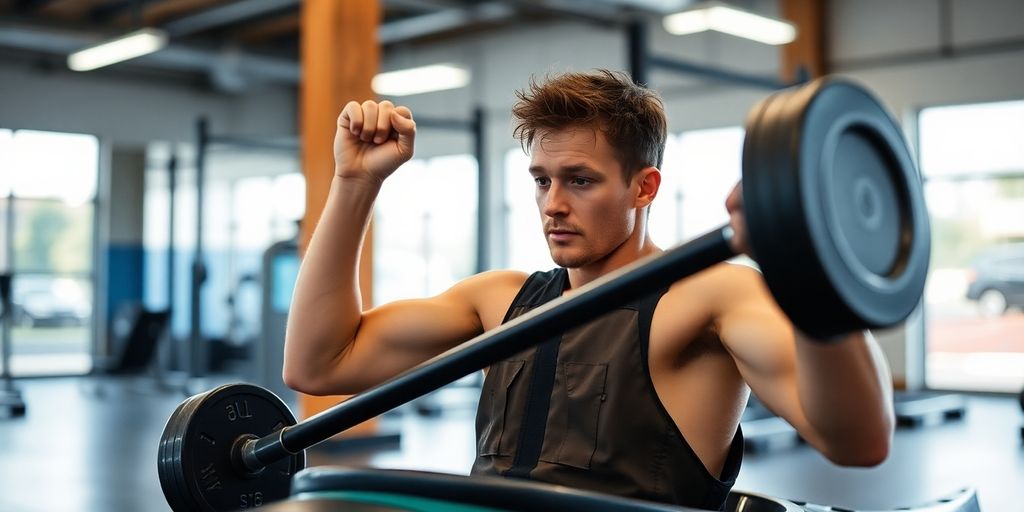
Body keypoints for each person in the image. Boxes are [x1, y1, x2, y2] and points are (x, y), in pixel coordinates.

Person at [283, 69, 894, 511]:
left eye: (580, 181)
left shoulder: (711, 298)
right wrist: (354, 183)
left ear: (644, 187)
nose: (553, 205)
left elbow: (859, 440)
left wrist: (807, 271)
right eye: (541, 181)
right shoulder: (501, 299)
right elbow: (318, 361)